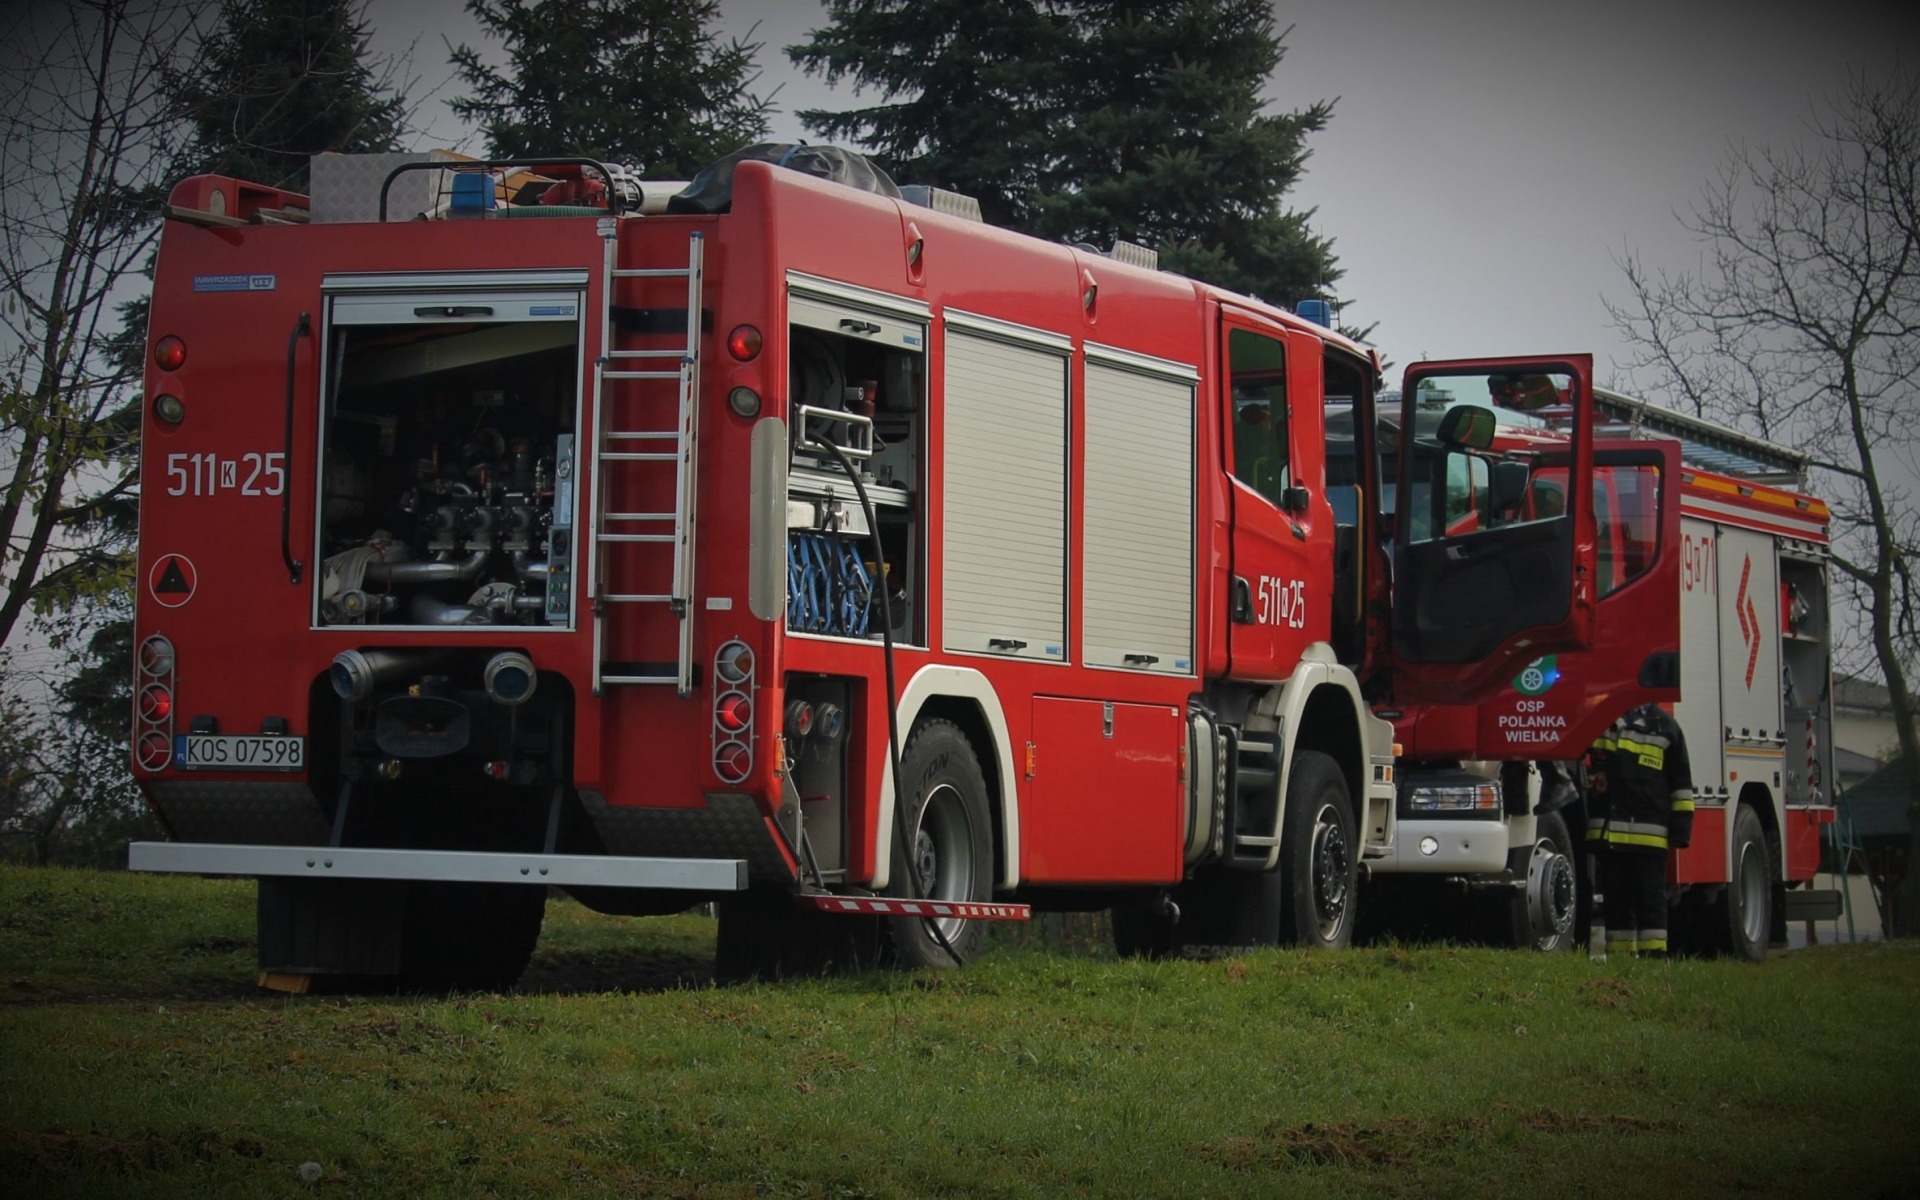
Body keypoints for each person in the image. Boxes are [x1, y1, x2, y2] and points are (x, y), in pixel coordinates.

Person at [1584, 702, 1694, 958]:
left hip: (1649, 838)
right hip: (1609, 836)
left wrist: (1680, 832)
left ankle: (1654, 957)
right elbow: (1585, 765)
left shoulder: (1665, 728)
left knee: (1651, 901)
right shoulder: (1601, 721)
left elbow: (1681, 785)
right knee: (1617, 901)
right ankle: (1621, 958)